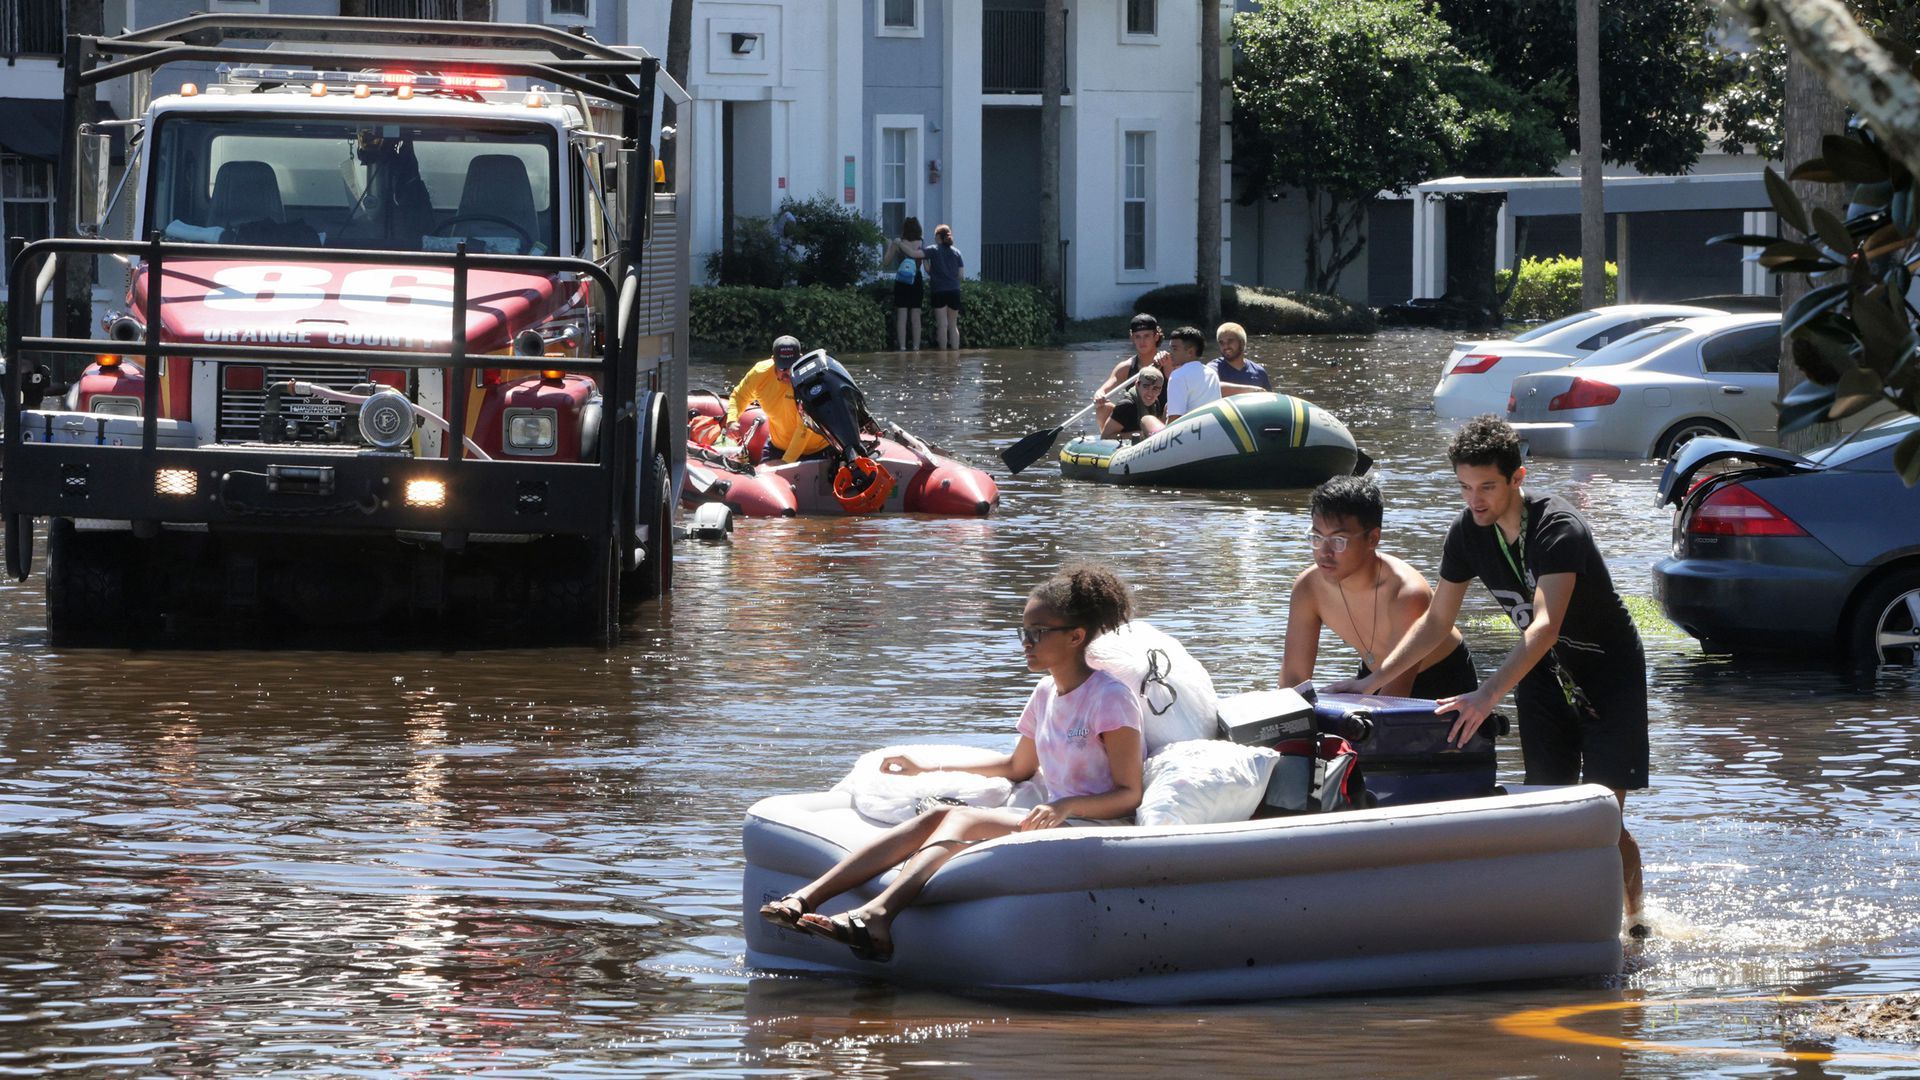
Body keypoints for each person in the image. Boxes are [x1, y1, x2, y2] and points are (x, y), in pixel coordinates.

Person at [1329, 416, 1649, 929]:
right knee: (1548, 812)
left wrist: (1484, 696)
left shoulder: (1558, 528)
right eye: (1464, 486)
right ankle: (1562, 920)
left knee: (1602, 819)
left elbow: (1543, 625)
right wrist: (1373, 679)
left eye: (1487, 487)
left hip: (1608, 674)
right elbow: (1437, 620)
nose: (1474, 500)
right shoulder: (1467, 532)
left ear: (1517, 479)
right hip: (1543, 676)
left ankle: (1635, 923)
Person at [758, 564, 1144, 962]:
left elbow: (1130, 794)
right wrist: (927, 769)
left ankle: (877, 915)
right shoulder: (1046, 693)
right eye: (1023, 632)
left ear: (1076, 636)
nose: (1026, 642)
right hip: (1054, 818)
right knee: (938, 814)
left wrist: (1066, 806)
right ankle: (804, 898)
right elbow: (1017, 767)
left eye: (1038, 632)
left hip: (1094, 823)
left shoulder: (1110, 697)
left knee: (960, 819)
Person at [1279, 476, 1477, 699]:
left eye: (1338, 541)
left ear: (1373, 539)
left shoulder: (1406, 593)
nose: (1324, 552)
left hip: (1442, 680)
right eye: (1316, 537)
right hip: (1372, 674)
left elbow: (1394, 695)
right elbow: (1294, 679)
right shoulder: (1308, 587)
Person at [724, 335, 831, 464]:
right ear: (773, 360)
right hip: (777, 446)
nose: (786, 372)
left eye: (791, 367)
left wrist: (786, 462)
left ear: (800, 358)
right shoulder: (760, 373)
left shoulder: (808, 379)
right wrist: (732, 420)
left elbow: (804, 427)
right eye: (782, 367)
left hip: (815, 450)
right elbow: (739, 396)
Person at [1093, 313, 1173, 433]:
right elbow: (1103, 390)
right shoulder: (1126, 367)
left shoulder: (1167, 362)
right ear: (1132, 338)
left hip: (1160, 421)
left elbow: (1179, 386)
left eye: (1146, 336)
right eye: (1137, 337)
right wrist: (1099, 395)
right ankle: (1109, 441)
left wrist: (1167, 363)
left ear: (1156, 337)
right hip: (1134, 421)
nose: (1142, 341)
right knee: (1103, 407)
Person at [885, 218, 926, 352]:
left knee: (902, 315)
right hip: (916, 278)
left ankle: (902, 347)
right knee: (916, 316)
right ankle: (916, 347)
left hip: (902, 280)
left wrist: (889, 245)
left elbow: (886, 262)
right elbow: (926, 265)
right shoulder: (921, 243)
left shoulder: (899, 243)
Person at [1162, 325, 1220, 421]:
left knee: (1147, 419)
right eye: (1170, 349)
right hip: (1211, 431)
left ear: (1190, 352)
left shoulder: (1177, 375)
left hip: (1187, 433)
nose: (1170, 353)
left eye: (1174, 349)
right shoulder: (1212, 373)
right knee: (1167, 407)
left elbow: (1174, 419)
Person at [925, 224, 966, 350]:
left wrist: (926, 262)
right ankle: (955, 354)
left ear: (938, 236)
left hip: (939, 290)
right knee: (953, 325)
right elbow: (961, 275)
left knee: (942, 325)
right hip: (954, 290)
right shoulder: (957, 252)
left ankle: (942, 355)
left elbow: (927, 268)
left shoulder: (932, 250)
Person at [1100, 364, 1167, 440]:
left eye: (1155, 388)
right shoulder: (1126, 406)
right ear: (1137, 384)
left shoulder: (1155, 403)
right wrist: (1140, 434)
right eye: (1146, 386)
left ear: (1160, 390)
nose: (1150, 393)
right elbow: (1105, 437)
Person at [1209, 322, 1271, 397]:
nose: (1226, 346)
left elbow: (1270, 398)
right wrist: (1253, 390)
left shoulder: (1259, 372)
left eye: (1230, 341)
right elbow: (1211, 387)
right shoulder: (1214, 367)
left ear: (1242, 343)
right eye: (1221, 343)